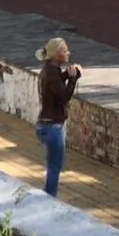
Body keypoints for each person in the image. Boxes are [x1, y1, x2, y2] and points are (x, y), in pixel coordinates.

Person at [34, 36, 81, 197]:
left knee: (56, 163)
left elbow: (56, 87)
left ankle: (49, 195)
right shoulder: (52, 74)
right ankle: (49, 198)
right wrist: (73, 79)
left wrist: (68, 75)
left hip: (47, 124)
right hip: (52, 126)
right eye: (65, 51)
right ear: (57, 54)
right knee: (55, 167)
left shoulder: (50, 70)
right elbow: (63, 95)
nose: (69, 53)